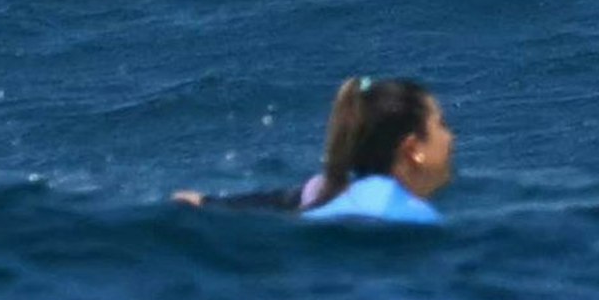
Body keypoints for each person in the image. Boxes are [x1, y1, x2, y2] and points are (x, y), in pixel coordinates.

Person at [172, 76, 454, 225]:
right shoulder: (409, 215)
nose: (450, 137)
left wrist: (206, 202)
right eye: (442, 124)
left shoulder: (324, 191)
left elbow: (265, 203)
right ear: (412, 148)